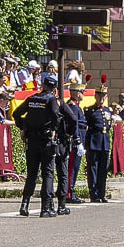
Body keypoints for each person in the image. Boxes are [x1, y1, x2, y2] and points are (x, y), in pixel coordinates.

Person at [16, 73, 75, 217]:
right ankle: (45, 208)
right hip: (46, 140)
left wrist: (23, 128)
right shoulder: (52, 99)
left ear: (43, 86)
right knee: (48, 174)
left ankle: (24, 205)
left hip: (32, 140)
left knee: (32, 174)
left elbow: (17, 113)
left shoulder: (32, 99)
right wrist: (54, 129)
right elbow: (57, 115)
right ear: (54, 89)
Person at [84, 87, 116, 201]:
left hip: (104, 141)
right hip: (94, 141)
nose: (101, 98)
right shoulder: (89, 110)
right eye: (99, 95)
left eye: (103, 96)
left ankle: (101, 193)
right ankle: (94, 194)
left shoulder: (108, 110)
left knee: (103, 169)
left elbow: (109, 125)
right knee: (93, 168)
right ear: (95, 96)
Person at [59, 85, 87, 205]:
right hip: (75, 142)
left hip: (79, 139)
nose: (83, 94)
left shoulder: (76, 106)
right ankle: (69, 193)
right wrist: (77, 140)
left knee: (74, 168)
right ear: (76, 93)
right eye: (82, 92)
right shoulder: (73, 107)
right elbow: (74, 124)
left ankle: (70, 191)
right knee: (72, 169)